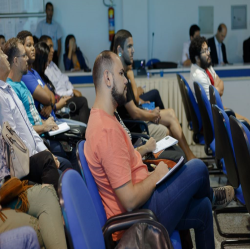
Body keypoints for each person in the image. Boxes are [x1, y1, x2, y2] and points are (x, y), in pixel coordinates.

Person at [85, 50, 235, 248]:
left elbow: (122, 162)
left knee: (203, 209)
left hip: (145, 203)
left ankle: (208, 197)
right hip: (138, 218)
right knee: (198, 168)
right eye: (121, 74)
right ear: (107, 77)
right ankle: (212, 194)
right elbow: (129, 200)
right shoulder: (106, 130)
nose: (126, 81)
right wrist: (157, 176)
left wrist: (152, 172)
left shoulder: (103, 119)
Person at [0, 49, 67, 249]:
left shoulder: (10, 89)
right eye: (1, 54)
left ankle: (63, 220)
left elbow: (27, 130)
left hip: (10, 177)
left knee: (55, 163)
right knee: (52, 168)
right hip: (12, 175)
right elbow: (14, 141)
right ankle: (62, 219)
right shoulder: (3, 94)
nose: (3, 55)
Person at [114, 29, 195, 161]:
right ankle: (185, 158)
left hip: (137, 119)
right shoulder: (120, 75)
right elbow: (133, 113)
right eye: (129, 46)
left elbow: (133, 103)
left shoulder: (124, 72)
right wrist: (152, 115)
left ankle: (187, 157)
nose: (133, 50)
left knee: (170, 114)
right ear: (120, 49)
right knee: (167, 128)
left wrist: (150, 112)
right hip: (135, 125)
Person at [3, 37, 73, 174]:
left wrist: (45, 122)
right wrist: (44, 126)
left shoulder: (21, 84)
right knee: (68, 159)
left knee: (72, 145)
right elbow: (22, 130)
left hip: (41, 138)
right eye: (24, 55)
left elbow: (34, 113)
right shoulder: (11, 90)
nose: (27, 59)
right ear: (15, 61)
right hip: (35, 144)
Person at [189, 36, 250, 123]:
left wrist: (215, 88)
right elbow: (214, 100)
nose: (208, 53)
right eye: (204, 51)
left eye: (208, 49)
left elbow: (221, 85)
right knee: (246, 122)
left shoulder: (206, 65)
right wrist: (216, 88)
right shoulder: (199, 75)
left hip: (218, 110)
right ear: (197, 58)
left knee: (245, 120)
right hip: (215, 117)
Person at [40, 35, 90, 124]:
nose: (52, 50)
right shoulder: (44, 69)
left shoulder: (53, 64)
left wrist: (72, 90)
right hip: (61, 100)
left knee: (88, 111)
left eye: (52, 46)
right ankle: (85, 135)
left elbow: (64, 79)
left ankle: (84, 134)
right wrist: (71, 92)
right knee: (83, 101)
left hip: (67, 96)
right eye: (50, 47)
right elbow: (55, 92)